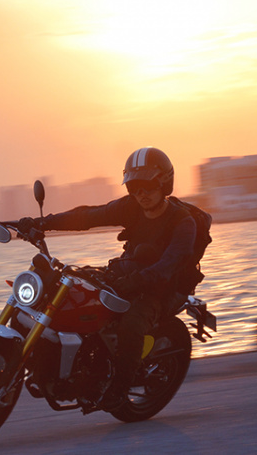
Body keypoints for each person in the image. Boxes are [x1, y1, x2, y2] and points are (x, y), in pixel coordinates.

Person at [19, 147, 196, 411]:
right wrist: (40, 223)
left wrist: (135, 281)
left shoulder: (183, 223)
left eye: (147, 186)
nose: (141, 194)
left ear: (164, 184)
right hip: (127, 274)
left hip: (163, 288)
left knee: (132, 323)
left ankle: (119, 390)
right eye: (134, 187)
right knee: (74, 292)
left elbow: (168, 266)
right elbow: (88, 216)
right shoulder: (131, 207)